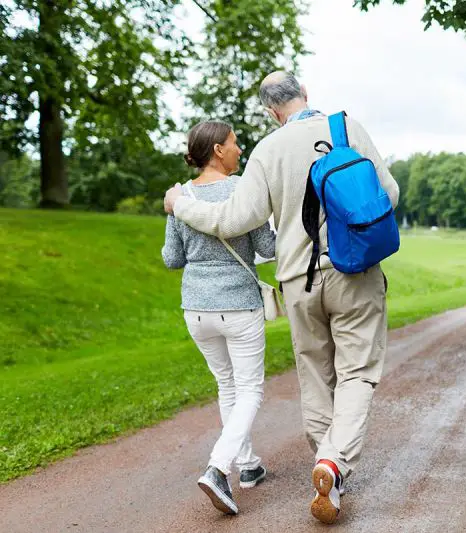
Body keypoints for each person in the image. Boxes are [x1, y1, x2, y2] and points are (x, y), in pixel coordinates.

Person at [163, 72, 399, 524]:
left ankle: (326, 463)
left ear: (271, 113)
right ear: (305, 94)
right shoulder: (346, 126)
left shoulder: (267, 151)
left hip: (299, 281)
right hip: (356, 274)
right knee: (356, 374)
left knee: (314, 373)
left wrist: (180, 205)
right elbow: (388, 192)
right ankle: (333, 463)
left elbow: (233, 219)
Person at [161, 120, 276, 516]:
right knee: (250, 389)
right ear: (217, 151)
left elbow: (172, 258)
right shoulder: (243, 189)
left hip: (195, 309)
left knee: (228, 386)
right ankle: (218, 468)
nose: (240, 148)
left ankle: (248, 467)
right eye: (233, 143)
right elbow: (266, 245)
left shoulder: (180, 197)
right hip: (239, 305)